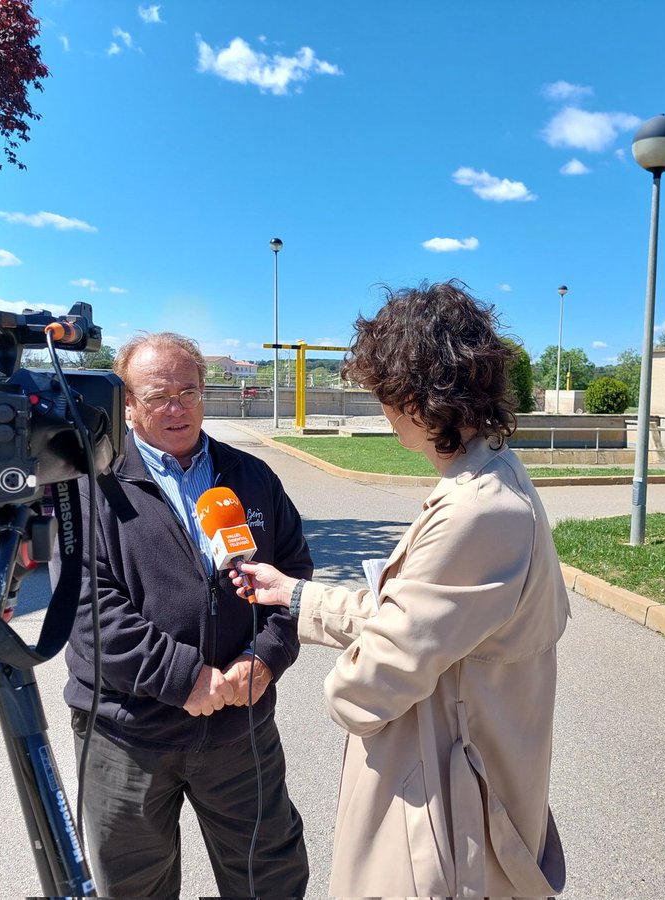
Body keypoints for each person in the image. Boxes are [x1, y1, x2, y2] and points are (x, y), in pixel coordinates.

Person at [232, 281, 570, 898]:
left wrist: (334, 681)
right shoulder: (493, 474)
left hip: (441, 807)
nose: (381, 410)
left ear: (415, 398)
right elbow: (413, 613)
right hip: (454, 779)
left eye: (383, 394)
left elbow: (369, 686)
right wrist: (294, 595)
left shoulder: (476, 511)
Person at [56, 331, 312, 898]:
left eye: (189, 391)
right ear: (127, 404)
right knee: (132, 887)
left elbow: (293, 574)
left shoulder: (250, 477)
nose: (177, 408)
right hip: (127, 734)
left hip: (239, 725)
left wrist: (264, 659)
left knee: (271, 876)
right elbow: (87, 606)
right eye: (157, 395)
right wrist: (184, 679)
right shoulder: (85, 483)